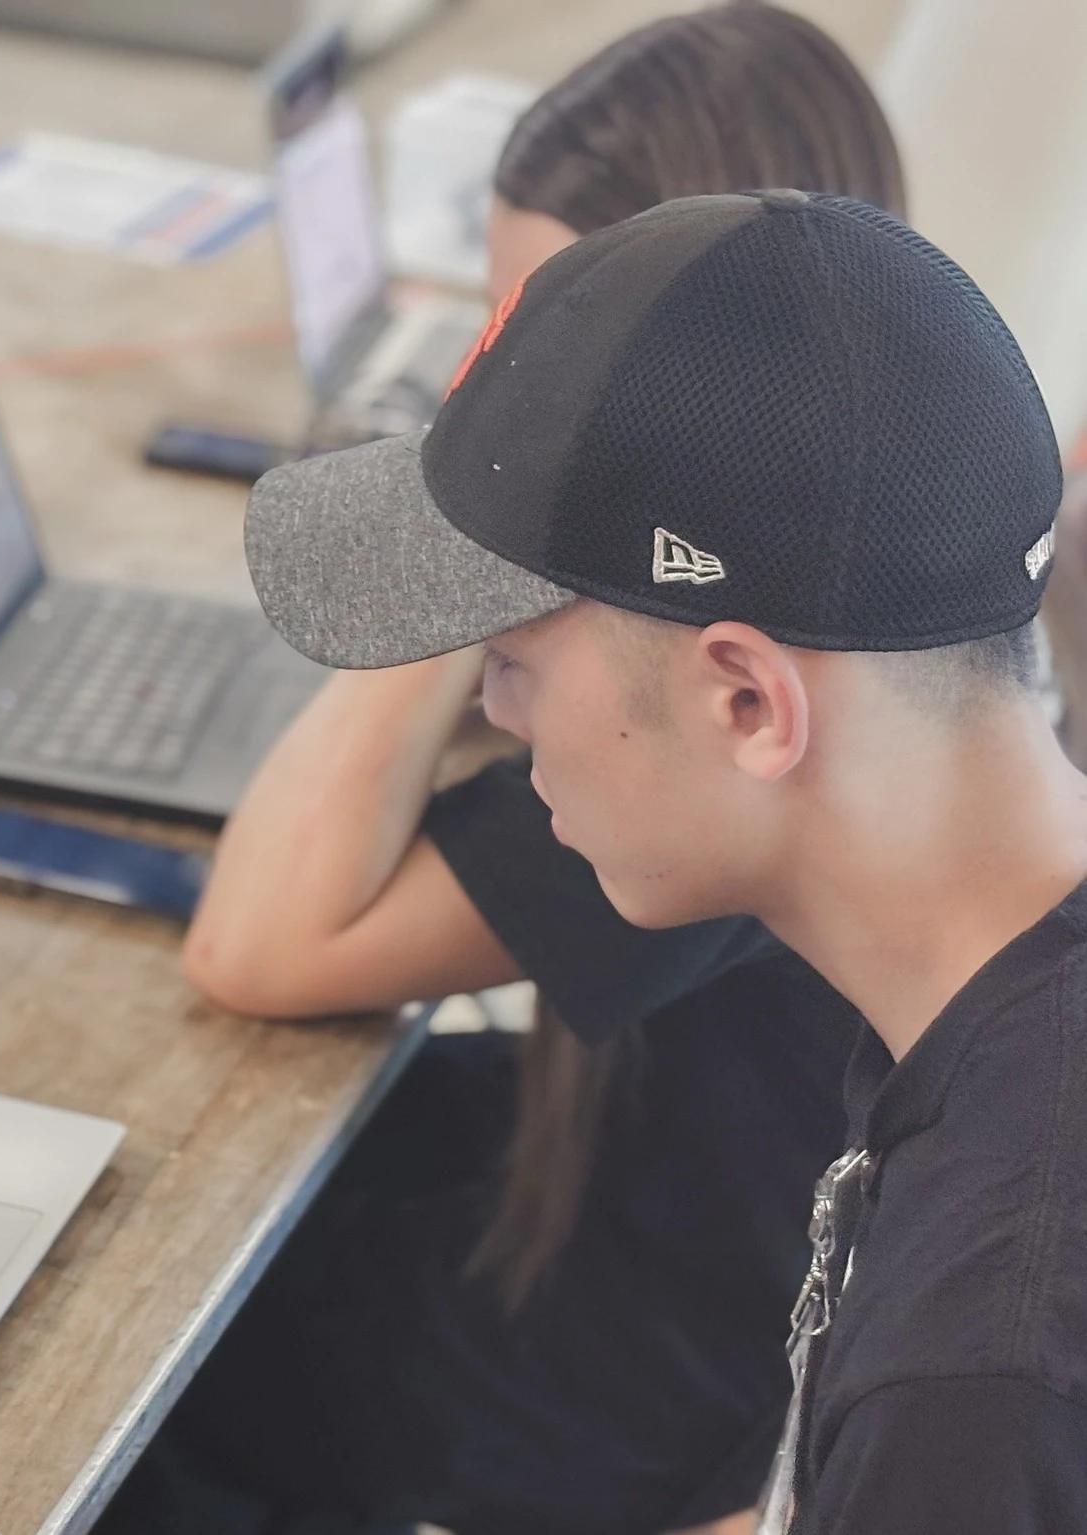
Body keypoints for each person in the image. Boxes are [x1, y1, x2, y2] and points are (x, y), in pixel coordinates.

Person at [100, 10, 905, 1535]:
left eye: (535, 345)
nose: (489, 384)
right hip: (677, 1173)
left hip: (666, 1355)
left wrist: (469, 523)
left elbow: (259, 946)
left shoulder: (726, 707)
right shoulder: (879, 519)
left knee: (154, 1348)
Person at [241, 186, 1087, 1532]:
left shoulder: (983, 1378)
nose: (500, 718)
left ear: (747, 701)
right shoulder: (994, 1012)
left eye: (510, 662)